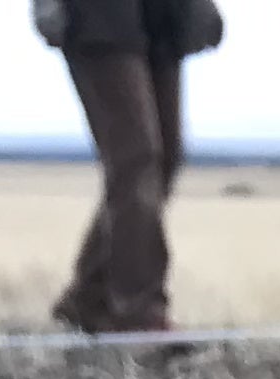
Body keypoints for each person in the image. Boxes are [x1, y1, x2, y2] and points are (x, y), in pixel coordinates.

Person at [35, 0, 227, 336]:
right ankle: (137, 309)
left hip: (159, 15)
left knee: (164, 158)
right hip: (99, 17)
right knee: (135, 157)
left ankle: (90, 297)